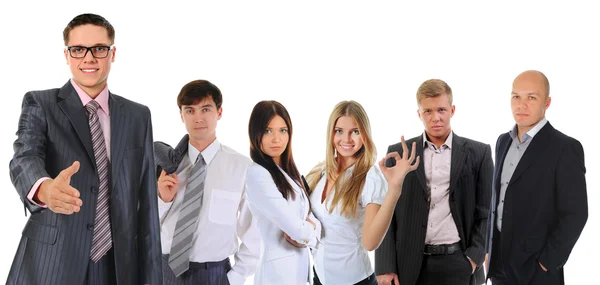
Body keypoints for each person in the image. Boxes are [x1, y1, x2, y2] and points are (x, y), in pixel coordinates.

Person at [7, 13, 162, 285]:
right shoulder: (41, 103)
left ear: (112, 54)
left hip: (119, 266)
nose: (88, 58)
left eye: (99, 49)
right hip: (53, 262)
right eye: (78, 50)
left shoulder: (138, 116)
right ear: (67, 55)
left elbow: (147, 203)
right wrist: (45, 189)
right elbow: (25, 156)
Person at [375, 79, 493, 285]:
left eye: (441, 110)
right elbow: (387, 213)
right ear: (419, 114)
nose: (435, 118)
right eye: (428, 111)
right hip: (409, 265)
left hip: (457, 262)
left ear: (452, 110)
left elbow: (486, 212)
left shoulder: (479, 153)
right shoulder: (399, 153)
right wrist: (385, 267)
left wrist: (473, 259)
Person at [153, 80, 261, 285]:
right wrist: (163, 200)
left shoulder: (242, 168)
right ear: (181, 115)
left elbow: (253, 231)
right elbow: (145, 224)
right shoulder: (165, 165)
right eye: (190, 110)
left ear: (219, 112)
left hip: (214, 274)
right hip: (165, 272)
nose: (198, 118)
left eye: (205, 109)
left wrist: (235, 278)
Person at [487, 70, 588, 285]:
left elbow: (576, 213)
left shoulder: (565, 148)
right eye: (516, 97)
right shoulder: (503, 141)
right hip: (498, 265)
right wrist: (488, 248)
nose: (521, 105)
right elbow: (497, 200)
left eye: (531, 97)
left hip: (536, 269)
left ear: (547, 102)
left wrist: (548, 262)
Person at [304, 100, 419, 285]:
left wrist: (395, 188)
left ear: (364, 134)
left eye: (355, 131)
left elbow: (370, 242)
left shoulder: (369, 177)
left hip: (355, 281)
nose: (347, 139)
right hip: (319, 278)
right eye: (339, 131)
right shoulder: (319, 172)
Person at [244, 100, 321, 285]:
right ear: (256, 134)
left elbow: (310, 219)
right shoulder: (258, 174)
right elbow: (297, 230)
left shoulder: (289, 174)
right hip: (276, 277)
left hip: (298, 273)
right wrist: (310, 230)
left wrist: (309, 229)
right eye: (268, 131)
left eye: (282, 130)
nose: (276, 139)